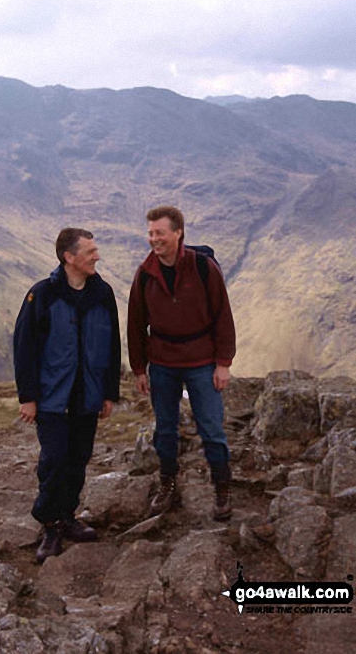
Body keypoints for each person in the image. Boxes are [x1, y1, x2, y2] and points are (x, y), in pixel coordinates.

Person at [14, 228, 120, 562]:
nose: (96, 256)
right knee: (55, 460)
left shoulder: (103, 294)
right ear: (69, 257)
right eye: (90, 251)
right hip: (51, 398)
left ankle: (68, 517)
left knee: (78, 458)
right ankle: (49, 523)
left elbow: (112, 346)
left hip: (87, 395)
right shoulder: (42, 295)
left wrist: (109, 393)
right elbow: (24, 347)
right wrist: (27, 397)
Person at [127, 206, 236, 521]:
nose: (153, 239)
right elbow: (136, 325)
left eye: (159, 233)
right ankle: (168, 483)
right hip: (162, 363)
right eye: (150, 233)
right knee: (165, 429)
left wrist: (223, 363)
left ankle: (221, 488)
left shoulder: (203, 268)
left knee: (212, 427)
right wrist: (138, 369)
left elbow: (222, 316)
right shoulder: (145, 274)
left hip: (202, 361)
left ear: (178, 233)